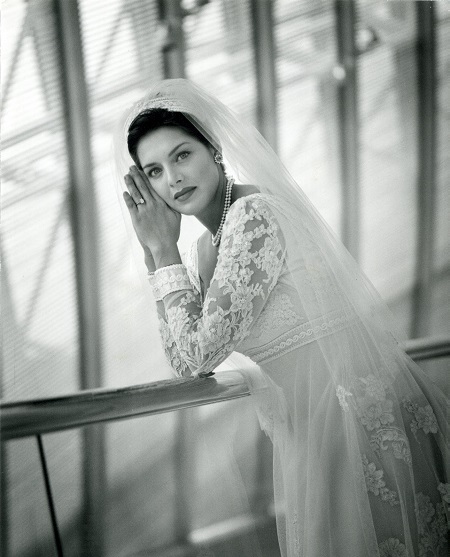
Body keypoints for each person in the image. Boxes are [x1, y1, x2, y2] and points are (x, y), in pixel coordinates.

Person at [116, 79, 448, 557]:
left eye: (182, 155)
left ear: (214, 149)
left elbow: (196, 353)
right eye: (154, 170)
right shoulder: (209, 247)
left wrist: (163, 249)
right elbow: (185, 361)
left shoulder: (254, 217)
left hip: (358, 425)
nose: (173, 178)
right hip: (314, 433)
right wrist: (157, 254)